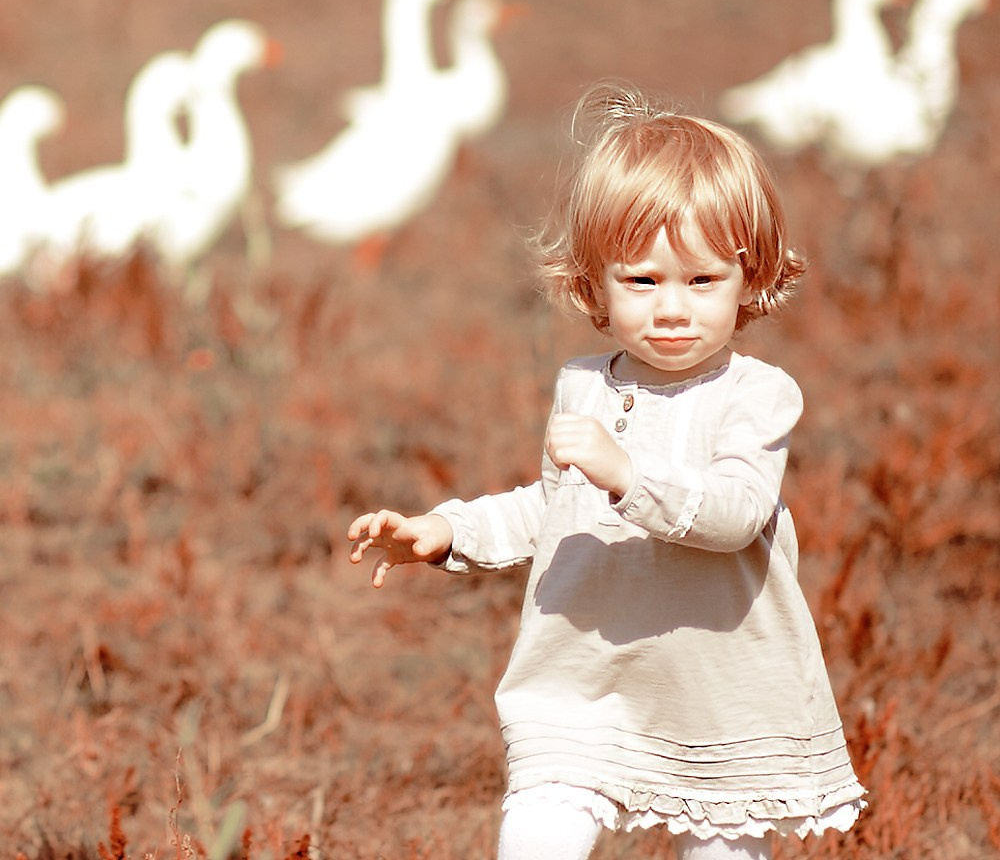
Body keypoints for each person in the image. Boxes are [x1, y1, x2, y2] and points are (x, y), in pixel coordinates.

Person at [348, 82, 866, 860]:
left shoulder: (757, 397)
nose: (671, 309)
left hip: (720, 687)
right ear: (593, 282)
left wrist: (627, 472)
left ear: (750, 278)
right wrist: (446, 531)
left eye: (702, 281)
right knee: (536, 833)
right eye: (642, 280)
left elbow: (735, 514)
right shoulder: (585, 385)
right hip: (584, 680)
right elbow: (554, 507)